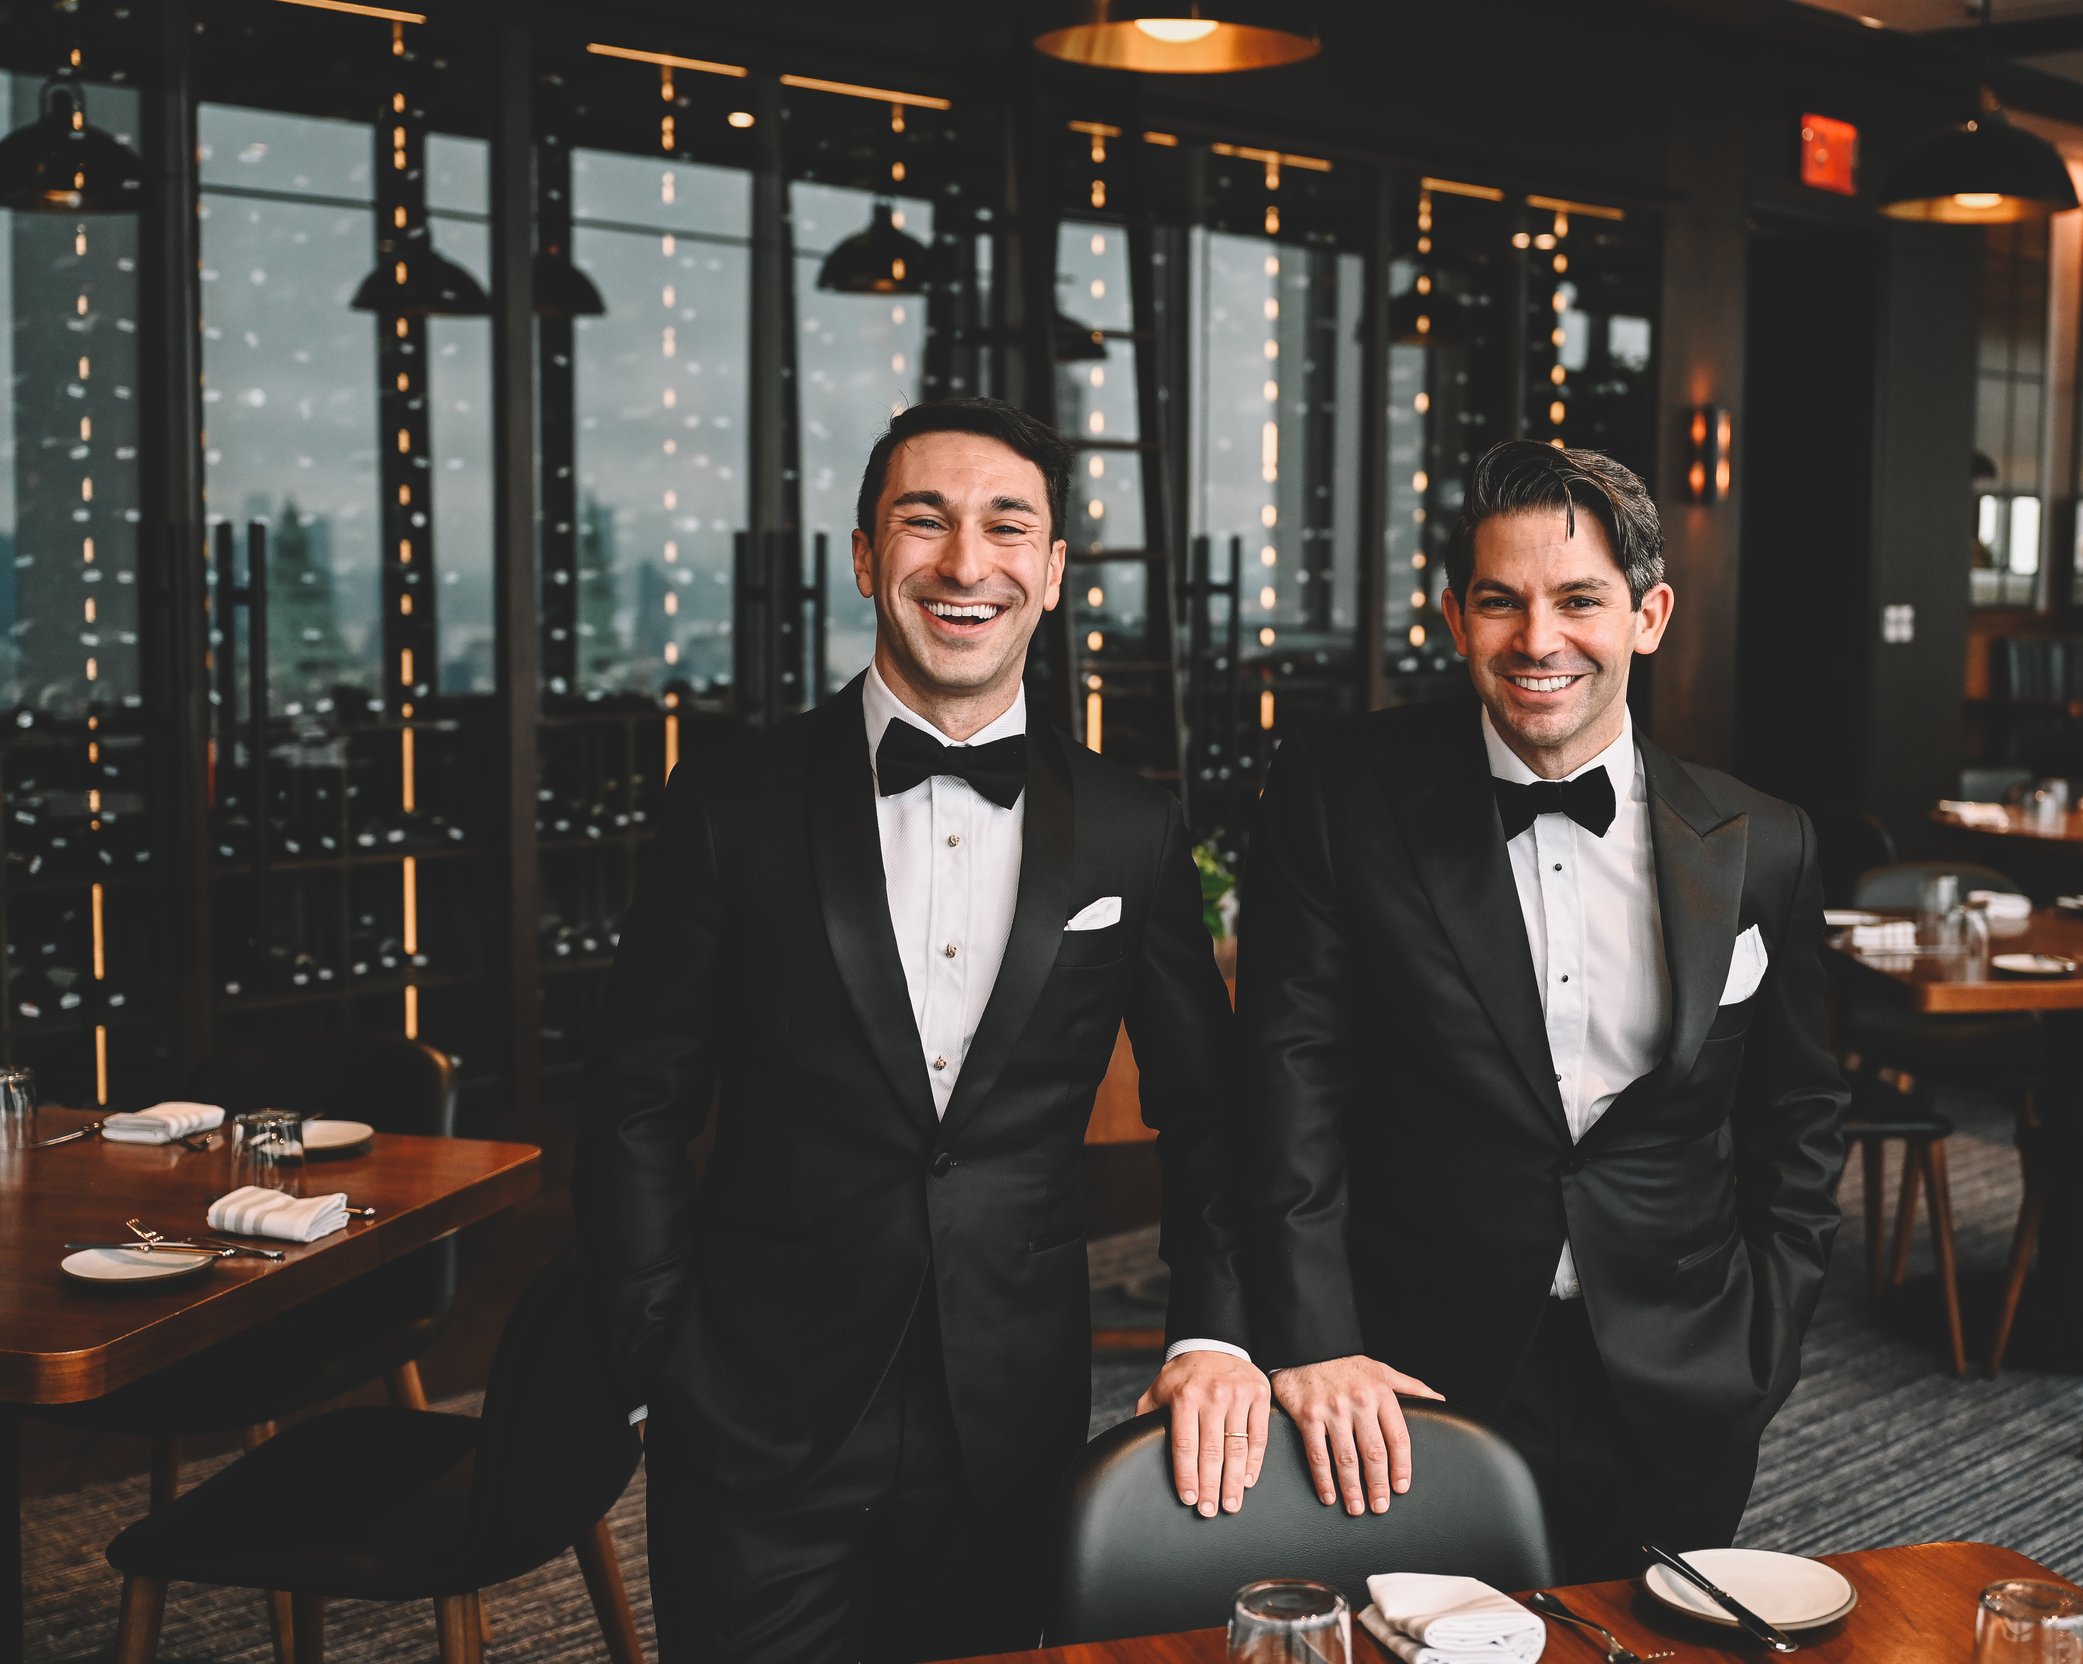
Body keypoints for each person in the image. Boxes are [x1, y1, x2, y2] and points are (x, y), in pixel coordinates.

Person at [575, 397, 1270, 1664]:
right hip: (748, 1414)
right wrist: (653, 1355)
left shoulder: (1132, 825)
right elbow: (634, 1097)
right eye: (923, 521)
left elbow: (1209, 1108)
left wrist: (1210, 1325)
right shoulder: (730, 802)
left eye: (1008, 526)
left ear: (1053, 573)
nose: (964, 562)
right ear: (861, 556)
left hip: (1008, 1418)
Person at [1236, 439, 1848, 1578]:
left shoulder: (1764, 838)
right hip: (1414, 1378)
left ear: (1648, 614)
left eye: (1579, 600)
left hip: (1684, 1371)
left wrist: (1765, 1333)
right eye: (1500, 601)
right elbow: (1290, 1084)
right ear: (1453, 617)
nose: (1539, 640)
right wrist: (1318, 1340)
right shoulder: (1337, 795)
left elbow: (1799, 1109)